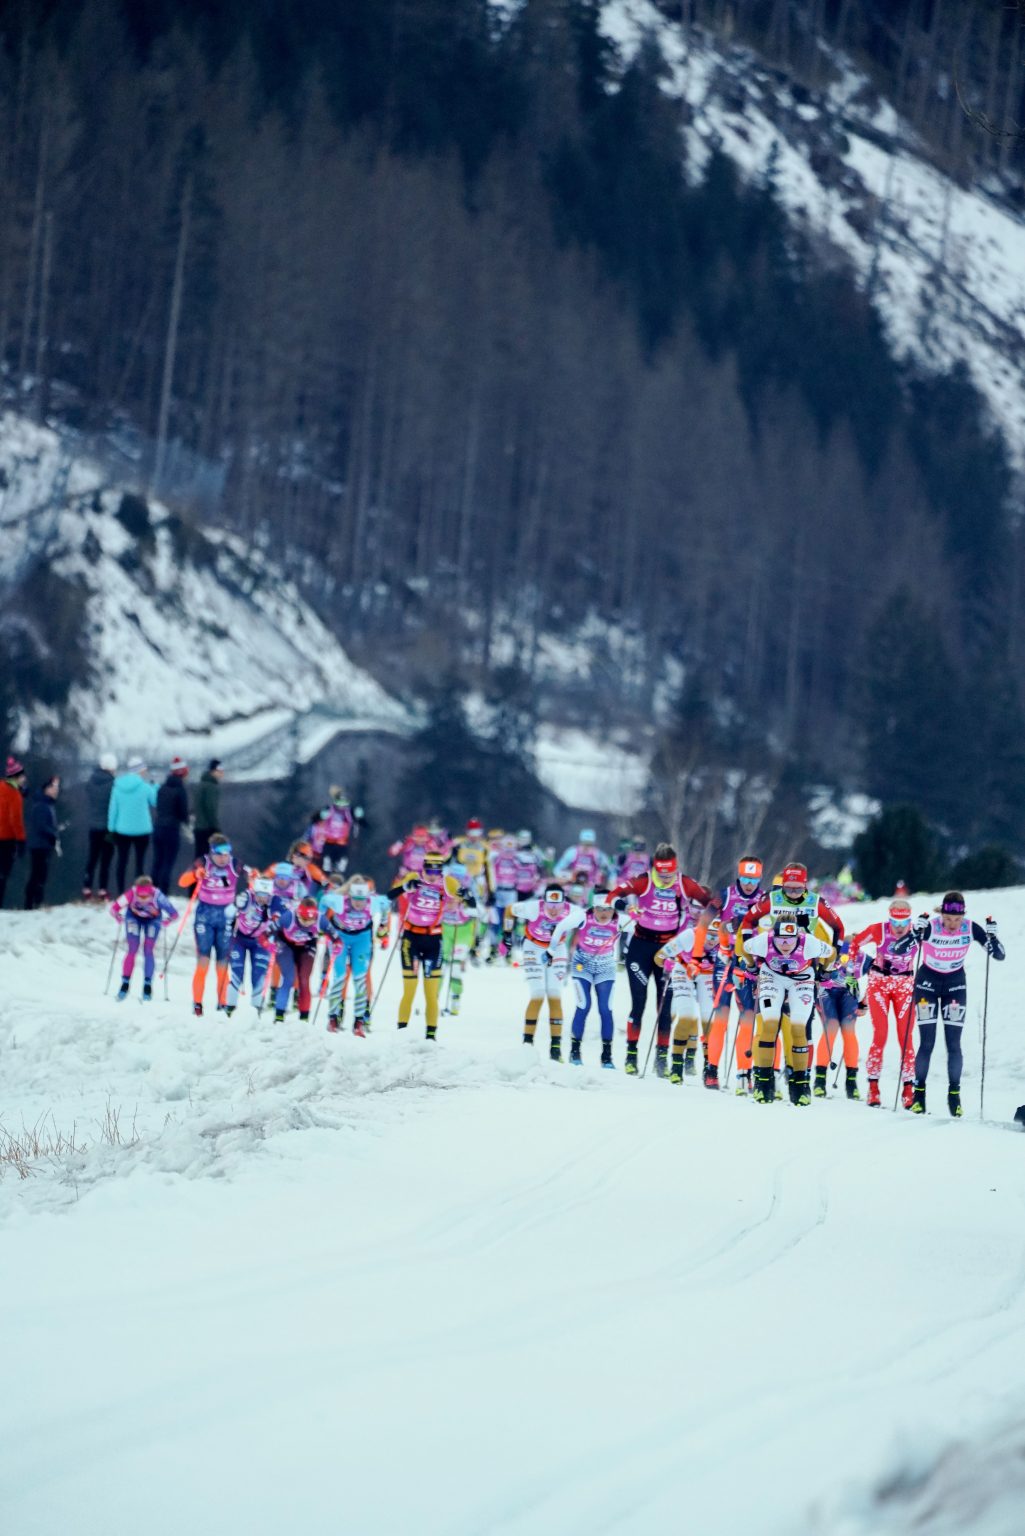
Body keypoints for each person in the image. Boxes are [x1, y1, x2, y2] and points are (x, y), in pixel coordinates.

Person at [610, 843, 716, 1077]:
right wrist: (627, 908)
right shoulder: (644, 880)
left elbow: (713, 901)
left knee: (665, 1007)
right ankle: (631, 1056)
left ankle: (661, 1060)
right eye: (661, 871)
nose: (666, 876)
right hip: (640, 948)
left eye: (669, 871)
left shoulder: (684, 882)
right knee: (638, 1003)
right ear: (655, 867)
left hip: (668, 950)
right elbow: (613, 896)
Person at [908, 893, 1005, 1117]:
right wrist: (915, 932)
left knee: (954, 1044)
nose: (952, 924)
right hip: (927, 985)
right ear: (941, 914)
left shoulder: (971, 928)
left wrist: (993, 938)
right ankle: (919, 1095)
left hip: (955, 985)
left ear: (963, 916)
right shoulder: (931, 927)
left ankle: (954, 1096)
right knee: (927, 1042)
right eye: (948, 919)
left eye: (957, 919)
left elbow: (999, 956)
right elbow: (900, 950)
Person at [740, 917, 835, 1104]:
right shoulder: (763, 940)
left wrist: (825, 972)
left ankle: (800, 1085)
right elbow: (745, 948)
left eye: (790, 940)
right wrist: (751, 967)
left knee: (798, 1028)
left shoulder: (809, 943)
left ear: (797, 937)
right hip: (772, 976)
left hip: (802, 977)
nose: (784, 944)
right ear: (772, 936)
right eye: (780, 939)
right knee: (769, 1024)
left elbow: (831, 953)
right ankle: (763, 1084)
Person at [849, 897, 919, 1108]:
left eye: (903, 923)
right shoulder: (879, 930)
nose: (898, 928)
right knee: (880, 1035)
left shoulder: (917, 932)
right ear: (889, 918)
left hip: (904, 986)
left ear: (909, 920)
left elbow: (941, 936)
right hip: (879, 983)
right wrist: (853, 974)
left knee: (905, 1037)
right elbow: (854, 943)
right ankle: (873, 1088)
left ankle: (908, 1090)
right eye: (894, 922)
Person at [548, 888, 622, 1068]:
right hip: (583, 965)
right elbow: (560, 927)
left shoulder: (620, 919)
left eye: (608, 909)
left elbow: (642, 926)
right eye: (600, 909)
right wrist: (551, 949)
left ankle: (606, 1056)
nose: (604, 914)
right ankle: (575, 1052)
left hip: (605, 967)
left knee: (606, 1009)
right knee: (583, 1006)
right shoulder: (583, 916)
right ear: (593, 907)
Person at [710, 856, 765, 1090]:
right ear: (738, 876)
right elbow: (708, 923)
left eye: (753, 879)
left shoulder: (765, 900)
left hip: (749, 964)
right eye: (745, 878)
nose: (749, 884)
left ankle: (745, 1071)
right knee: (721, 1017)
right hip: (725, 960)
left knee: (748, 1018)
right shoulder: (725, 895)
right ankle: (711, 1069)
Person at [390, 849, 449, 1039]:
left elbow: (465, 898)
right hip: (411, 939)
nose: (433, 876)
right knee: (409, 990)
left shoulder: (445, 883)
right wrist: (406, 887)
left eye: (437, 871)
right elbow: (391, 894)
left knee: (431, 994)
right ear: (424, 868)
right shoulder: (414, 877)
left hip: (434, 941)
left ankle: (431, 1036)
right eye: (429, 871)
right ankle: (401, 1033)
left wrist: (466, 898)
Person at [510, 880, 573, 1060]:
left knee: (554, 994)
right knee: (537, 993)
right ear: (543, 902)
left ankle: (555, 1047)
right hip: (533, 947)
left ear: (564, 903)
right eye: (549, 906)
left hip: (557, 948)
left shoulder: (572, 910)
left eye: (558, 906)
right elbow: (509, 910)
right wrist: (507, 934)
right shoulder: (532, 908)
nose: (553, 910)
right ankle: (527, 1043)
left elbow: (590, 918)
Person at [178, 834, 240, 1015]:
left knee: (222, 962)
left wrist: (254, 877)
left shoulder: (235, 864)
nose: (224, 857)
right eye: (220, 853)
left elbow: (256, 877)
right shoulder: (203, 862)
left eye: (227, 852)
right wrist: (195, 875)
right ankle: (197, 1004)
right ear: (212, 852)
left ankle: (222, 1003)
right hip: (205, 915)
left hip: (226, 916)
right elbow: (182, 882)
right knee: (203, 960)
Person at [320, 878, 376, 1034]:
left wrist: (384, 927)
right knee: (339, 977)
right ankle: (333, 1017)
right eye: (355, 899)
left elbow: (386, 904)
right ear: (349, 895)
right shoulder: (338, 900)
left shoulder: (373, 901)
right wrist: (322, 922)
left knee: (360, 978)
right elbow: (323, 902)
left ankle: (360, 1021)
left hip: (362, 940)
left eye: (362, 899)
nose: (359, 903)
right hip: (341, 937)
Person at [812, 938, 864, 1101]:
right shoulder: (827, 950)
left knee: (848, 1032)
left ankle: (851, 1082)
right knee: (831, 1027)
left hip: (848, 993)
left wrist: (865, 1002)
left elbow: (878, 974)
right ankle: (820, 1080)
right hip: (826, 992)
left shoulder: (861, 955)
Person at [110, 877, 178, 1000]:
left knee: (148, 949)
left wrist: (167, 921)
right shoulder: (131, 893)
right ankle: (125, 982)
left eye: (146, 896)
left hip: (153, 920)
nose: (142, 899)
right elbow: (114, 908)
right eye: (140, 896)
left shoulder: (158, 896)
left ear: (151, 891)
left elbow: (174, 914)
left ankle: (147, 985)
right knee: (132, 948)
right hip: (133, 918)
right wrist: (118, 917)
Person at [226, 874, 276, 1016]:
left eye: (265, 895)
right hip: (239, 939)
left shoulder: (273, 904)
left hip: (259, 942)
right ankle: (230, 1008)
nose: (262, 898)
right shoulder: (246, 898)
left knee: (258, 974)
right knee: (237, 971)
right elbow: (228, 912)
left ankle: (256, 1011)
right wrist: (235, 906)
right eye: (259, 894)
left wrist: (273, 941)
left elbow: (279, 923)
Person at [108, 757, 157, 893]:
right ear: (140, 770)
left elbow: (113, 810)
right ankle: (139, 892)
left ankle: (120, 892)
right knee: (139, 863)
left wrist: (111, 829)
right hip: (142, 830)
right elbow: (155, 802)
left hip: (122, 829)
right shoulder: (145, 787)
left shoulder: (117, 786)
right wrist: (155, 786)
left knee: (122, 862)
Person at [270, 894, 320, 1023]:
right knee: (289, 978)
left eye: (311, 920)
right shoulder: (288, 917)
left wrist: (337, 943)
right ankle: (279, 1015)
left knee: (304, 980)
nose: (307, 923)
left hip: (307, 946)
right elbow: (269, 931)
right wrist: (269, 943)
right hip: (287, 945)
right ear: (298, 914)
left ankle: (304, 1018)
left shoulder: (320, 918)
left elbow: (335, 935)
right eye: (304, 919)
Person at [440, 866, 480, 1017]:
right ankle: (434, 1001)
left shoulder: (466, 893)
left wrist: (469, 900)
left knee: (454, 968)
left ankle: (455, 1001)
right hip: (447, 932)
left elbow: (476, 913)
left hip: (462, 933)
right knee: (441, 967)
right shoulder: (443, 890)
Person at [152, 757, 190, 893]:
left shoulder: (162, 788)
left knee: (157, 861)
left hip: (157, 828)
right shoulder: (180, 790)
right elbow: (183, 814)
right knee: (168, 862)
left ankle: (152, 890)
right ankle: (163, 891)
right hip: (171, 829)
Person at [82, 753, 117, 899]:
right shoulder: (113, 785)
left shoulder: (91, 783)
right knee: (106, 859)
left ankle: (87, 886)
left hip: (93, 826)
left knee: (92, 857)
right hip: (108, 827)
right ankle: (103, 888)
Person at [24, 774, 60, 910]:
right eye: (54, 787)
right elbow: (41, 825)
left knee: (40, 875)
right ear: (46, 789)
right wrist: (52, 834)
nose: (56, 790)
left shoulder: (47, 804)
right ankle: (31, 903)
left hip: (43, 844)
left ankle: (36, 902)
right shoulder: (41, 805)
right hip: (39, 845)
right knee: (37, 874)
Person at [308, 786, 361, 874]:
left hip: (342, 841)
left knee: (342, 859)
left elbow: (356, 823)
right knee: (326, 861)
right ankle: (327, 867)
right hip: (329, 840)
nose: (341, 807)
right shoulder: (329, 810)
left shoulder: (348, 812)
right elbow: (316, 819)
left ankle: (338, 868)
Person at [0, 755, 27, 908]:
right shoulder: (14, 795)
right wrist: (21, 840)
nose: (24, 779)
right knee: (3, 873)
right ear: (16, 777)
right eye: (22, 776)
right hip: (6, 839)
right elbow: (15, 820)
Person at [193, 759, 224, 859]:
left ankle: (194, 874)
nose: (222, 774)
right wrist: (216, 828)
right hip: (207, 828)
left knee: (199, 857)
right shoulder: (211, 787)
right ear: (214, 771)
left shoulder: (201, 785)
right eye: (220, 771)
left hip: (198, 827)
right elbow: (211, 808)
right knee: (208, 858)